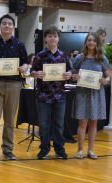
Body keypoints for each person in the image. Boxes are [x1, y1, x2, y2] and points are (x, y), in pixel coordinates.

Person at [0, 14, 28, 162]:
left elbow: (26, 63)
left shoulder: (20, 45)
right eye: (4, 23)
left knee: (9, 120)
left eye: (9, 24)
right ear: (0, 26)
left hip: (14, 85)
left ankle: (8, 149)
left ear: (13, 27)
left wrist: (24, 68)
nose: (7, 26)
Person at [31, 25, 72, 160]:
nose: (52, 38)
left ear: (58, 39)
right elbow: (32, 72)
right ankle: (44, 149)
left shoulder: (64, 56)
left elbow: (70, 71)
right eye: (50, 36)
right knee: (44, 124)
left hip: (59, 95)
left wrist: (68, 74)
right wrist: (36, 73)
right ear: (45, 39)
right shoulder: (39, 56)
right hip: (43, 96)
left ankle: (59, 149)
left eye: (55, 36)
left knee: (59, 123)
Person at [71, 32, 110, 159]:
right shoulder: (79, 58)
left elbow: (108, 75)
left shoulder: (102, 58)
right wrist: (74, 76)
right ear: (86, 42)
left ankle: (91, 150)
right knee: (82, 123)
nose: (91, 42)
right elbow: (72, 73)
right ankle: (80, 150)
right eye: (89, 40)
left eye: (93, 40)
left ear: (97, 43)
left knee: (93, 123)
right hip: (82, 93)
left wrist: (107, 80)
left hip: (97, 93)